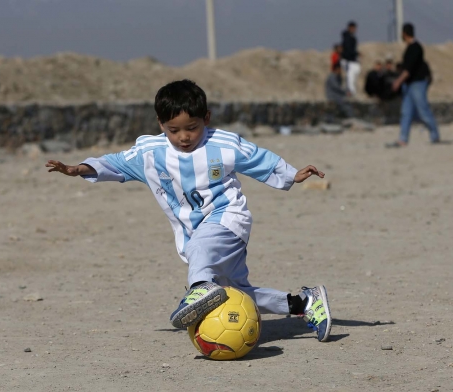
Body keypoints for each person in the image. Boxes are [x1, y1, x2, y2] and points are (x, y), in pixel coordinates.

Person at [45, 79, 333, 342]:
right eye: (174, 130)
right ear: (160, 124)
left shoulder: (223, 144)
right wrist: (78, 169)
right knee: (235, 294)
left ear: (206, 119)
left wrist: (291, 174)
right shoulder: (150, 153)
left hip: (228, 218)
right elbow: (114, 163)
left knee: (202, 249)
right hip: (193, 232)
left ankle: (198, 287)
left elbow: (257, 158)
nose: (184, 136)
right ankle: (304, 302)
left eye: (192, 127)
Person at [388, 23, 440, 147]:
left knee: (423, 110)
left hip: (417, 83)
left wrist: (398, 81)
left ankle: (435, 135)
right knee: (406, 112)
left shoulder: (415, 48)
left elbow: (408, 69)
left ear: (404, 33)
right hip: (409, 84)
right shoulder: (411, 48)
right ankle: (403, 139)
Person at [341, 21, 361, 95]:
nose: (354, 30)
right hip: (348, 60)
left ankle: (351, 91)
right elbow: (348, 49)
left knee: (354, 74)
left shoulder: (351, 37)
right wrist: (353, 55)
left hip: (352, 60)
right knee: (350, 76)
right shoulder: (348, 38)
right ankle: (350, 92)